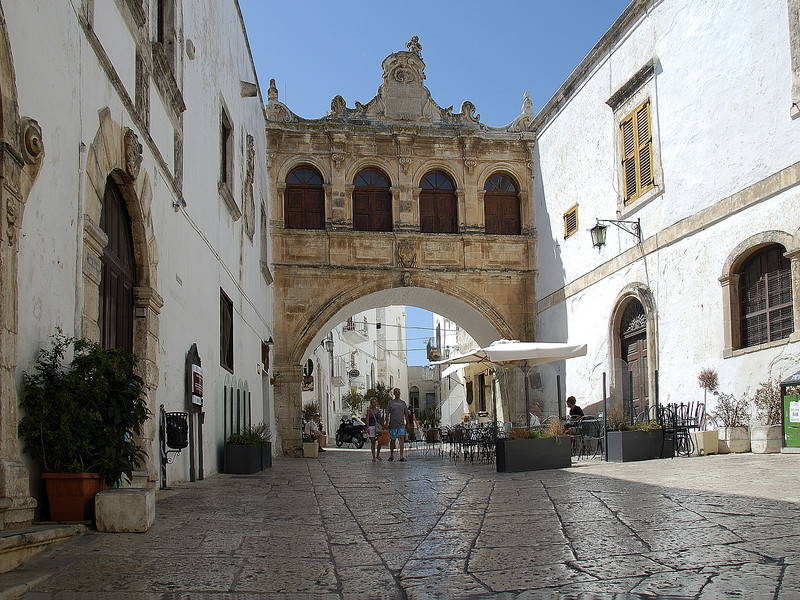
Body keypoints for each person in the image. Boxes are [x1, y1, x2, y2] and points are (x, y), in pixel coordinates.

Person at [386, 387, 410, 462]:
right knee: (392, 440)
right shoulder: (390, 403)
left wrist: (407, 424)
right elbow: (387, 414)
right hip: (393, 425)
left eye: (398, 392)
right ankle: (391, 455)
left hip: (401, 425)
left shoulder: (403, 403)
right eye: (396, 392)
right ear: (394, 393)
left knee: (401, 439)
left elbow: (406, 414)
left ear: (400, 393)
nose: (397, 393)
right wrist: (386, 423)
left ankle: (401, 456)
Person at [366, 397, 383, 462]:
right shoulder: (369, 411)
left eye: (375, 402)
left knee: (380, 442)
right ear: (371, 403)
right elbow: (367, 420)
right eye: (373, 402)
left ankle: (378, 455)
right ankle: (373, 456)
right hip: (371, 427)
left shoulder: (378, 411)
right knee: (373, 443)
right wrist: (367, 428)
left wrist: (383, 426)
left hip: (378, 427)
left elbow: (380, 419)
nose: (374, 404)